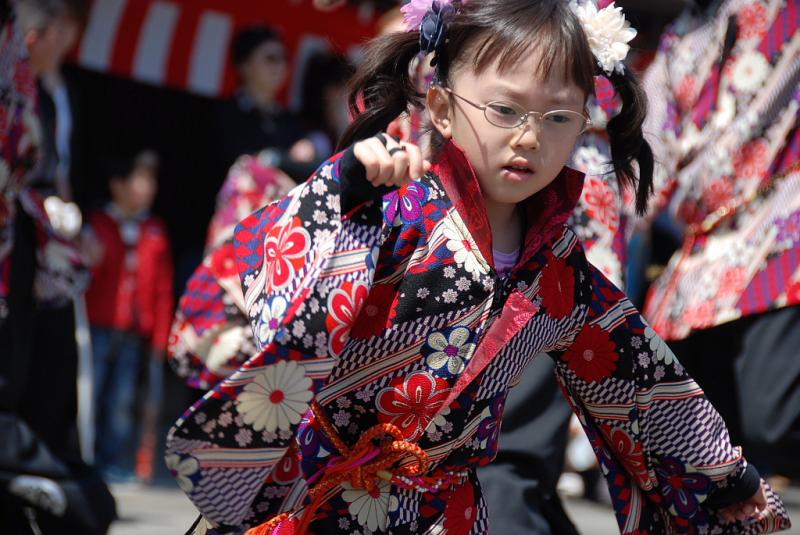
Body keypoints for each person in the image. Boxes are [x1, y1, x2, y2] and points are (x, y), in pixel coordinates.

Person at [166, 1, 790, 534]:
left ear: (584, 124)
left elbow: (644, 385)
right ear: (440, 107)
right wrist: (340, 190)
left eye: (556, 118)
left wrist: (728, 479)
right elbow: (246, 281)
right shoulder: (392, 210)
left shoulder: (563, 275)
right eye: (505, 110)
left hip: (438, 513)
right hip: (309, 498)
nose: (528, 138)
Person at [640, 0, 800, 480]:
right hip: (702, 245)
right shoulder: (682, 34)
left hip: (781, 221)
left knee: (772, 420)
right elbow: (652, 140)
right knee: (702, 444)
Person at [84, 150, 174, 482]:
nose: (149, 188)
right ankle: (85, 459)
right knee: (90, 395)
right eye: (141, 179)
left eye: (152, 181)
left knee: (121, 402)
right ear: (118, 185)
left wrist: (161, 336)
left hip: (134, 331)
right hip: (98, 326)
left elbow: (163, 289)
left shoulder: (154, 230)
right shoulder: (98, 224)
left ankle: (113, 462)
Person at [212, 24, 315, 183]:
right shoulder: (222, 114)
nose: (280, 66)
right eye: (270, 58)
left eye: (284, 59)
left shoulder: (290, 120)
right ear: (244, 65)